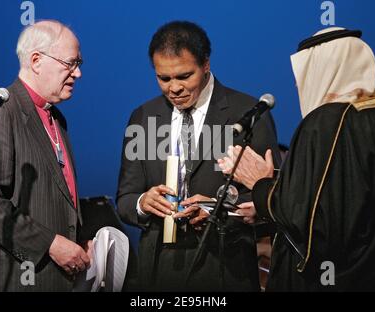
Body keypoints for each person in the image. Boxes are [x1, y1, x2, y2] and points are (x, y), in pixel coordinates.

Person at [218, 27, 375, 291]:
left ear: (325, 69)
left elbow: (319, 225)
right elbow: (347, 200)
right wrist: (278, 188)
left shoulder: (325, 122)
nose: (298, 83)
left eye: (306, 72)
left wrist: (260, 184)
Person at [117, 21, 281, 291]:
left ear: (206, 64)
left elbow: (271, 197)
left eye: (184, 76)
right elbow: (125, 199)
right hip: (159, 270)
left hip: (226, 268)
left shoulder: (248, 114)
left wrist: (220, 208)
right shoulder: (143, 117)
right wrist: (143, 202)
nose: (174, 88)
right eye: (164, 78)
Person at [0, 20, 91, 291]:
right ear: (36, 60)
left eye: (79, 63)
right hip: (8, 279)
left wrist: (78, 238)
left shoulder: (57, 119)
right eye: (70, 63)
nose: (77, 74)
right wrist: (51, 244)